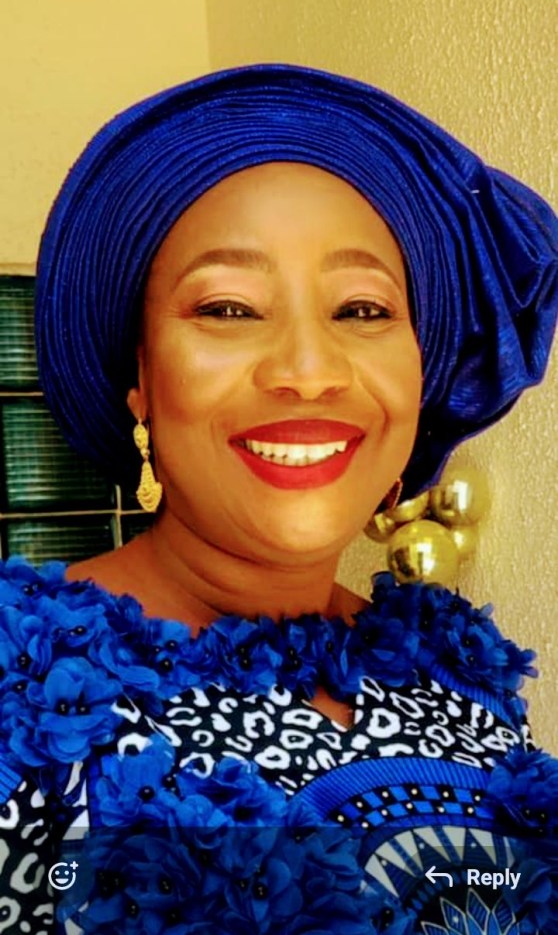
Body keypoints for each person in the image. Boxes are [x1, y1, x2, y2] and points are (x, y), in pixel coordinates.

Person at [0, 64, 557, 934]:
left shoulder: (464, 680)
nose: (307, 369)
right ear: (140, 377)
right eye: (228, 308)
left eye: (362, 310)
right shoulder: (19, 685)